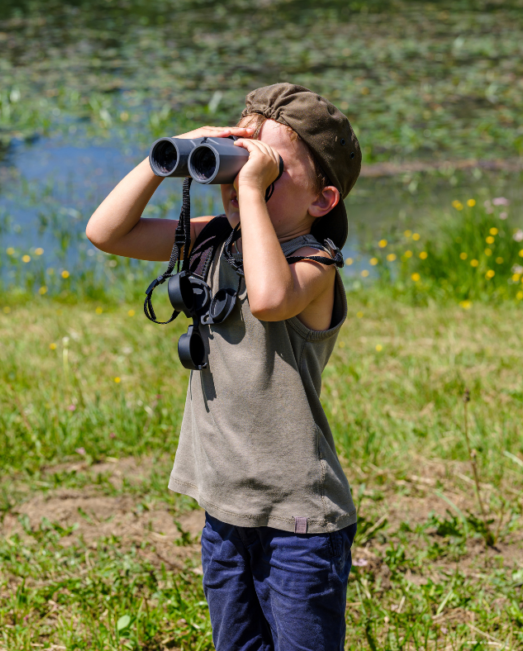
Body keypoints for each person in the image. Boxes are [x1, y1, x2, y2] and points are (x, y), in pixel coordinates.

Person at [85, 83, 361, 650]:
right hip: (225, 507)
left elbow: (268, 298)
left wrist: (250, 196)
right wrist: (167, 158)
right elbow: (105, 233)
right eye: (240, 157)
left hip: (299, 521)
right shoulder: (216, 240)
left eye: (269, 167)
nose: (244, 178)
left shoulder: (314, 264)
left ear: (322, 200)